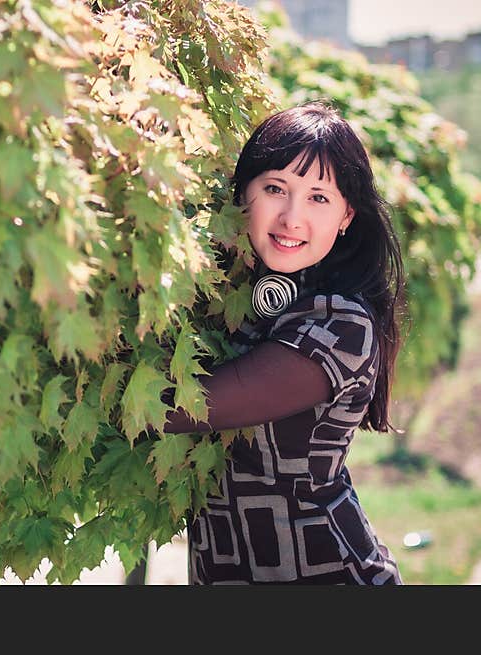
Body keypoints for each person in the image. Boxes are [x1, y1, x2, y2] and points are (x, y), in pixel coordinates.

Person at [161, 102, 405, 584]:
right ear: (243, 194)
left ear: (346, 216)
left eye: (318, 198)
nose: (292, 217)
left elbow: (182, 408)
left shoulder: (342, 325)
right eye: (275, 189)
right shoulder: (234, 295)